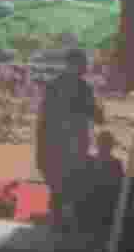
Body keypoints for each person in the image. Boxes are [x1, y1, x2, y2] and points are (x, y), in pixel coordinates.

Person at [35, 49, 104, 229]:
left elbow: (42, 119)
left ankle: (58, 223)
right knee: (69, 187)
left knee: (58, 187)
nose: (86, 68)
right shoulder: (83, 88)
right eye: (84, 64)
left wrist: (40, 148)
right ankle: (64, 223)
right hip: (71, 146)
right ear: (76, 65)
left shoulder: (53, 86)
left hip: (54, 145)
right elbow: (98, 117)